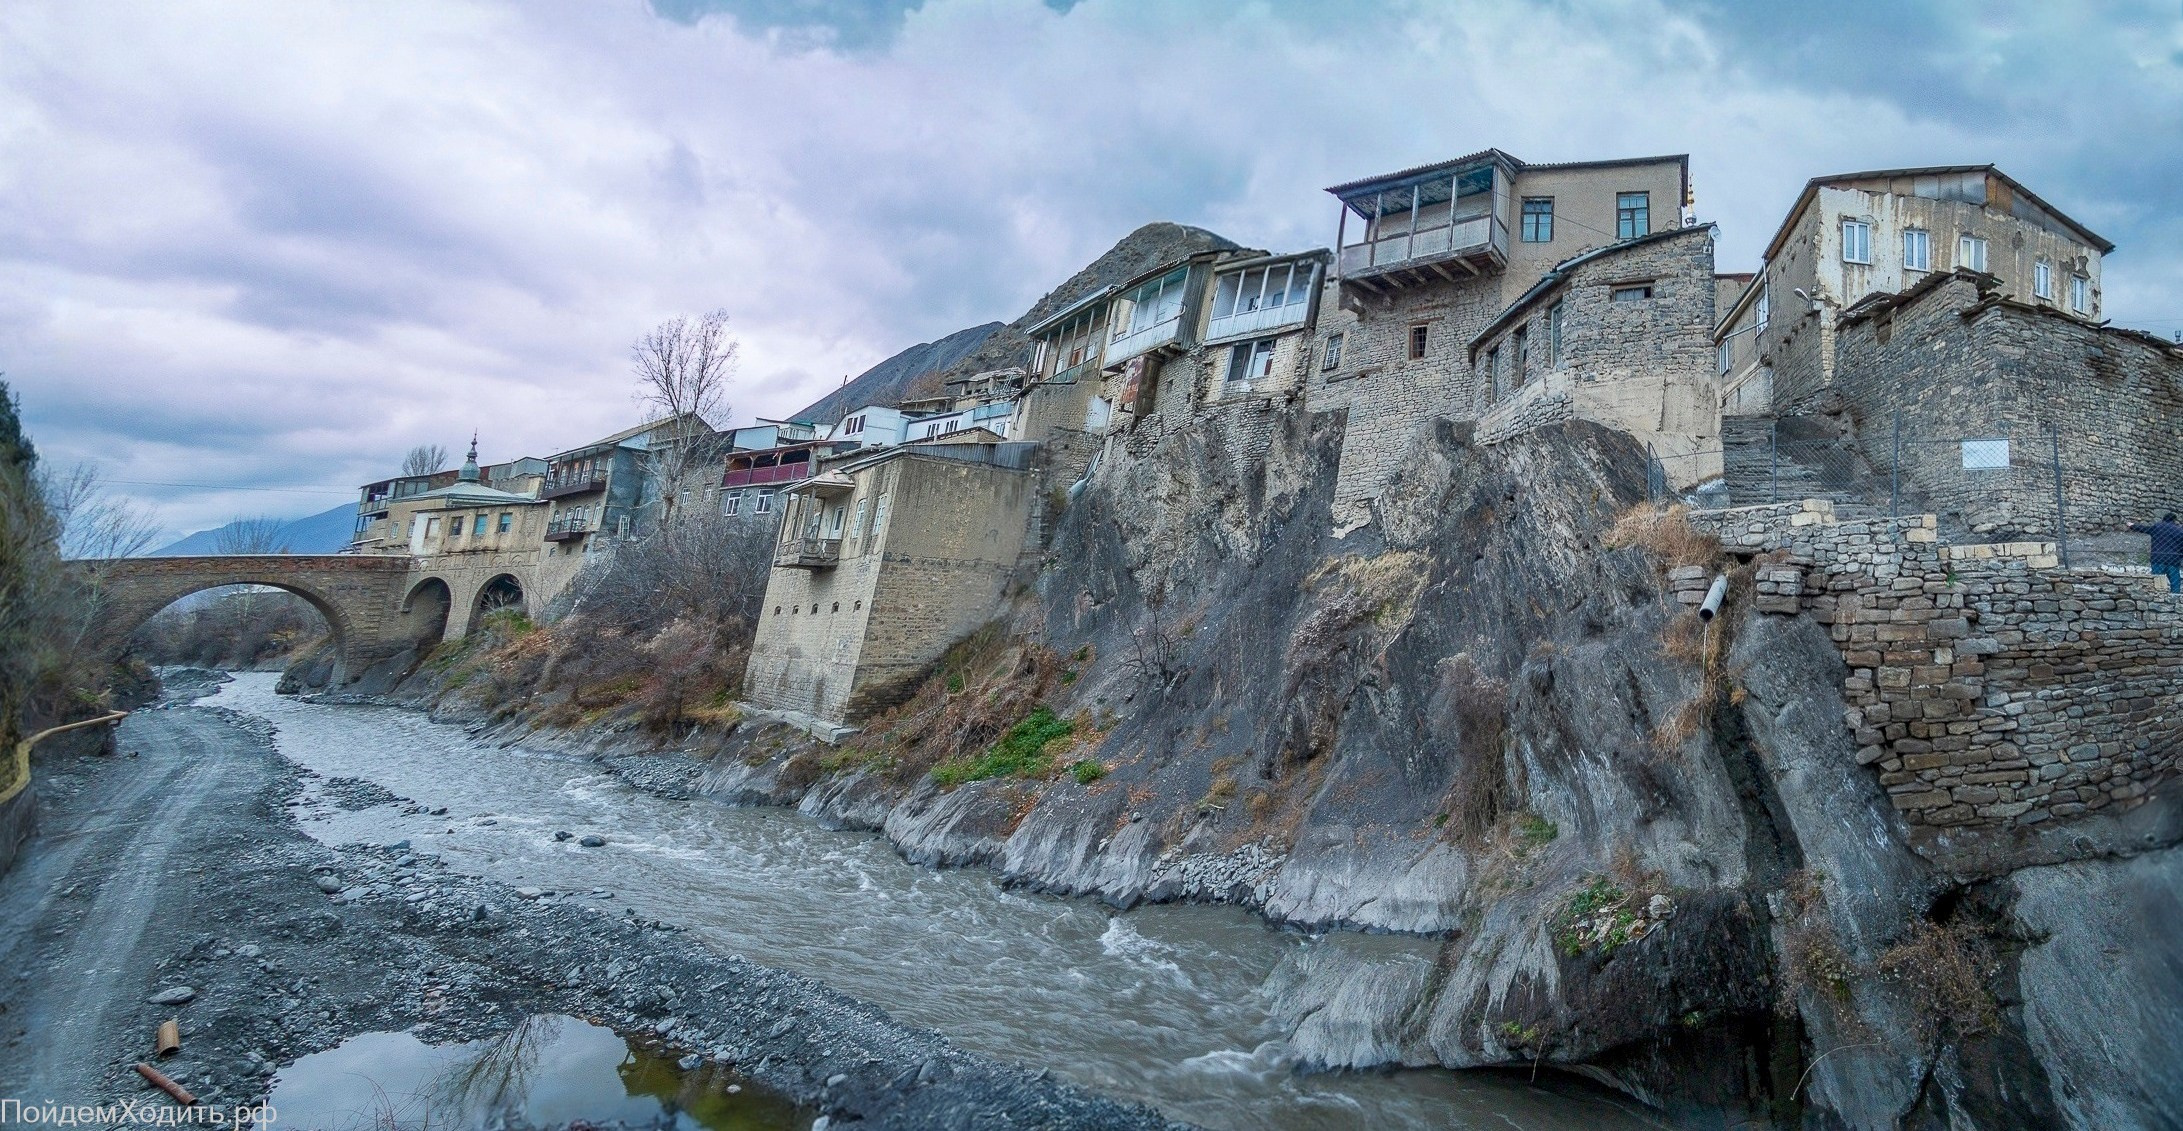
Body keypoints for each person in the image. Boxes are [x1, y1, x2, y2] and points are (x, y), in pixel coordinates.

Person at [2128, 512, 2183, 593]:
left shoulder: (2157, 527)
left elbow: (2144, 529)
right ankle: (2175, 599)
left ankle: (2159, 597)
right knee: (2175, 582)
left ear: (2163, 519)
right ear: (2174, 520)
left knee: (2158, 581)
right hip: (2173, 559)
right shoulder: (2179, 531)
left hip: (2158, 558)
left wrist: (2132, 525)